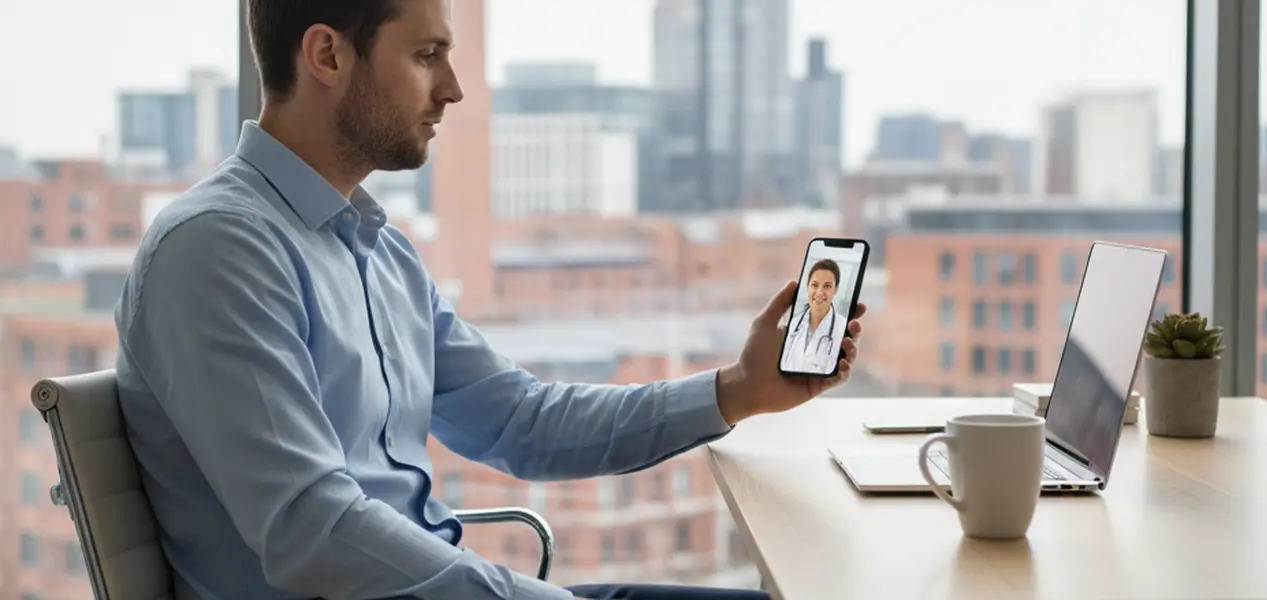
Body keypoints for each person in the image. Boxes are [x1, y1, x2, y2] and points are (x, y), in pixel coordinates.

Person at [110, 1, 865, 600]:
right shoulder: (218, 250)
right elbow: (313, 528)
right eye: (426, 55)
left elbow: (521, 421)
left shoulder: (377, 250)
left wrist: (738, 390)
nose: (453, 88)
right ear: (327, 55)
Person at [779, 259, 849, 375]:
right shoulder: (793, 324)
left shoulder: (842, 327)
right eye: (814, 285)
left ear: (835, 290)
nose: (819, 292)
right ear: (807, 287)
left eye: (827, 286)